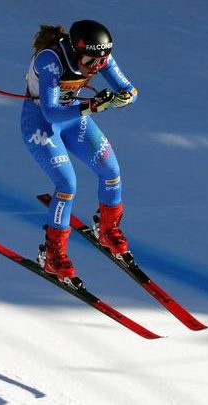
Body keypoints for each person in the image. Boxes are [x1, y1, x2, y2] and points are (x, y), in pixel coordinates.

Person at [21, 20, 139, 282]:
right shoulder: (50, 60)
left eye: (102, 60)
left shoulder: (99, 56)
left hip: (74, 116)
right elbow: (50, 112)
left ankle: (107, 228)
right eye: (92, 61)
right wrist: (92, 106)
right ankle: (53, 254)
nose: (97, 66)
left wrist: (125, 96)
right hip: (41, 122)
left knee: (111, 170)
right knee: (67, 185)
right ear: (75, 51)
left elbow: (129, 88)